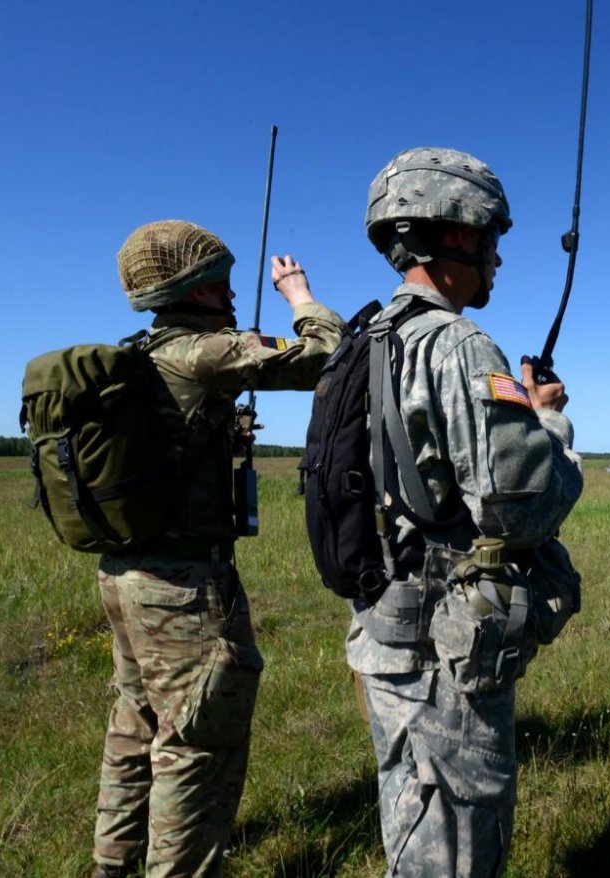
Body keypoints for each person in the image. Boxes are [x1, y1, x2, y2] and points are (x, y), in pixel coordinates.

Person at [332, 146, 582, 876]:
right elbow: (523, 507)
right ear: (455, 235)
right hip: (444, 651)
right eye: (491, 240)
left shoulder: (371, 337)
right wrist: (552, 425)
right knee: (456, 850)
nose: (498, 259)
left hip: (383, 628)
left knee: (409, 816)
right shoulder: (460, 345)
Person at [94, 220, 345, 878]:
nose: (232, 294)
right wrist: (300, 296)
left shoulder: (143, 355)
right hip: (181, 589)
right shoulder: (203, 354)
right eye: (221, 282)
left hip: (126, 577)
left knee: (135, 730)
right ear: (195, 289)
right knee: (197, 748)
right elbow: (326, 352)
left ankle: (112, 866)